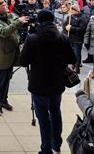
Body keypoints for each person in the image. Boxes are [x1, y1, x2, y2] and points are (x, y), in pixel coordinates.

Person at [20, 9, 75, 154]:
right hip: (57, 82)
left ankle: (46, 149)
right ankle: (56, 145)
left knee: (43, 117)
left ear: (39, 21)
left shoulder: (33, 38)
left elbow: (23, 61)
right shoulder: (63, 37)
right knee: (56, 112)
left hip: (39, 84)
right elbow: (72, 59)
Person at [0, 0, 28, 116]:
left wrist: (22, 21)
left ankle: (3, 100)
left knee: (7, 79)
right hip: (1, 56)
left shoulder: (8, 16)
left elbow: (15, 22)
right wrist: (18, 22)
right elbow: (3, 32)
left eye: (5, 4)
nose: (6, 6)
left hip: (11, 54)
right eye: (3, 5)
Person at [62, 4, 88, 74]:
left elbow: (82, 29)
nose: (71, 11)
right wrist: (66, 27)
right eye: (71, 10)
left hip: (78, 38)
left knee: (77, 53)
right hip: (70, 38)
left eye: (73, 10)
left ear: (77, 10)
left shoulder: (83, 17)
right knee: (71, 52)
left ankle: (77, 67)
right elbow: (64, 25)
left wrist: (71, 28)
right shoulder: (70, 17)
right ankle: (72, 65)